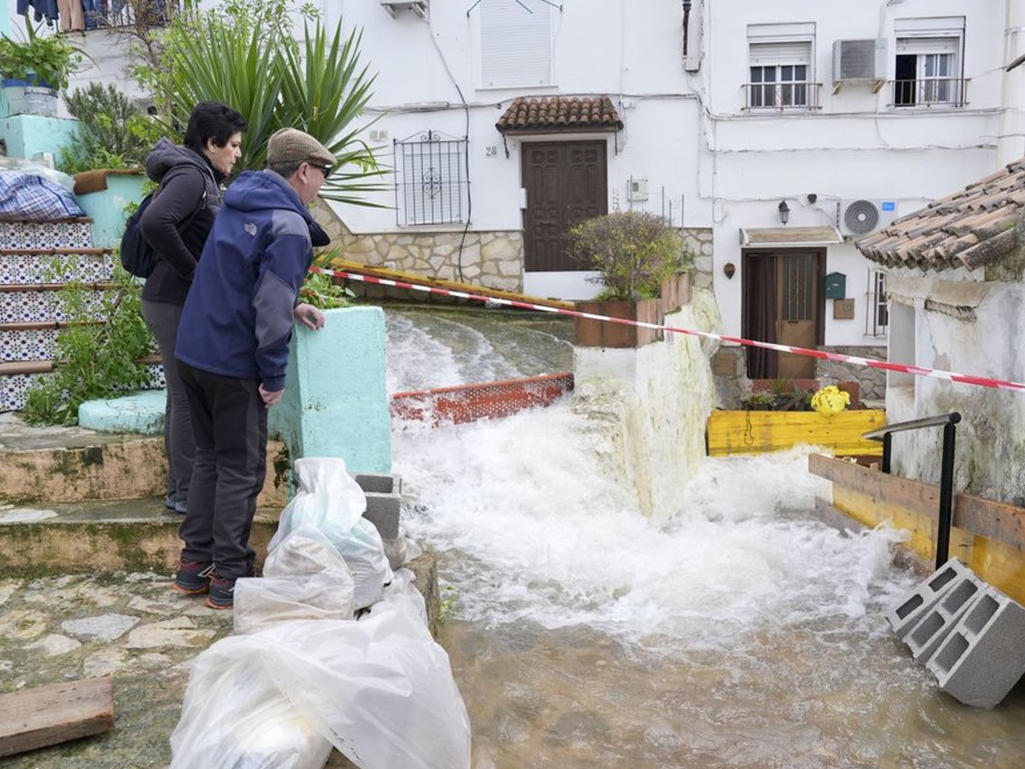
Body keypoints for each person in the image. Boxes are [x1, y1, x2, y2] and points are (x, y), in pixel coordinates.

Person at [172, 128, 332, 609]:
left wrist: (292, 306)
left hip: (193, 352)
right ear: (303, 170)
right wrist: (274, 374)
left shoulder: (238, 202)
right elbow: (268, 301)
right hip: (233, 363)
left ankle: (193, 565)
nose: (323, 182)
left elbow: (240, 278)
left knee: (208, 460)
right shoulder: (289, 225)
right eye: (324, 172)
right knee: (241, 471)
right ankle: (230, 575)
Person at [140, 101, 247, 516]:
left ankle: (181, 486)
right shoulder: (190, 175)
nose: (237, 153)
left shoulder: (197, 173)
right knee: (186, 396)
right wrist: (195, 273)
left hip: (172, 300)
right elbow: (155, 223)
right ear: (211, 142)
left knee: (181, 394)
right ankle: (184, 492)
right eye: (233, 145)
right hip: (172, 302)